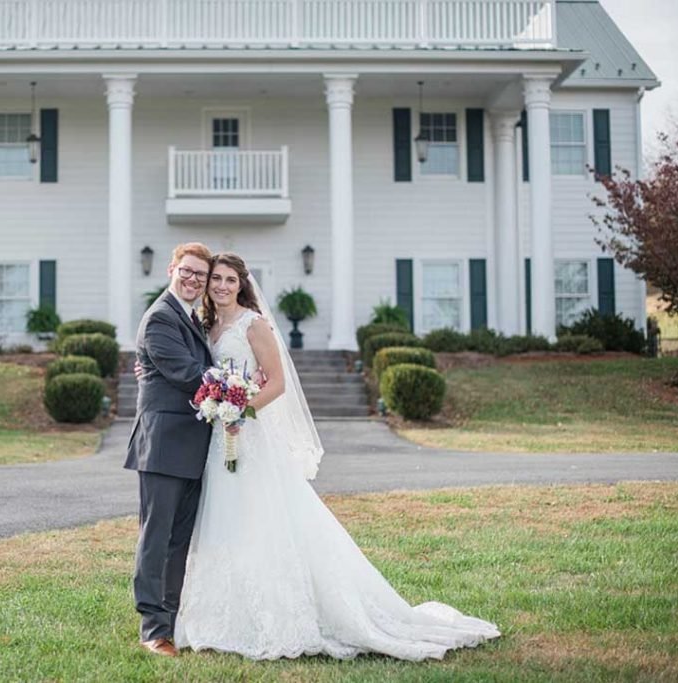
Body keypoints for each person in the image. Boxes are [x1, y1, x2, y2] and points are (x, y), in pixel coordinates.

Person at [172, 252, 501, 660]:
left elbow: (277, 384)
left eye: (229, 280)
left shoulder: (254, 325)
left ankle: (281, 614)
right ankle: (221, 613)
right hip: (219, 440)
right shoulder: (207, 325)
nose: (221, 286)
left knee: (262, 519)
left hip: (249, 436)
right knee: (225, 520)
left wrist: (242, 410)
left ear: (243, 285)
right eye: (215, 279)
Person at [124, 242, 215, 658]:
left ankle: (171, 620)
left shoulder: (191, 316)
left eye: (201, 274)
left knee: (178, 539)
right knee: (156, 537)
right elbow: (189, 374)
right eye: (187, 271)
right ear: (171, 270)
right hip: (163, 444)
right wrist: (242, 386)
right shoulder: (161, 317)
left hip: (191, 445)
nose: (193, 279)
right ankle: (152, 630)